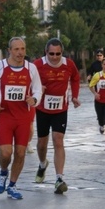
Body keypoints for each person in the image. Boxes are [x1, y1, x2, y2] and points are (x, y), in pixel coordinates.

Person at [0, 37, 43, 199]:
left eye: (22, 49)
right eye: (16, 49)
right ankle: (3, 172)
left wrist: (34, 99)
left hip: (23, 117)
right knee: (5, 153)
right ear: (9, 51)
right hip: (5, 116)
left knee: (21, 153)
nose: (20, 52)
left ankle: (12, 185)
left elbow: (38, 89)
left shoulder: (31, 68)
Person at [33, 38, 81, 194]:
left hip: (60, 108)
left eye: (58, 54)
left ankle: (59, 178)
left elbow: (75, 77)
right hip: (42, 108)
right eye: (51, 53)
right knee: (42, 144)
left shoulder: (69, 64)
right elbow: (28, 81)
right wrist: (38, 87)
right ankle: (42, 165)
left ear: (62, 52)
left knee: (58, 140)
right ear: (46, 52)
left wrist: (74, 96)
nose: (54, 57)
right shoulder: (37, 65)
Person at [24, 55, 36, 154]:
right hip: (16, 104)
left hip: (30, 103)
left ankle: (29, 142)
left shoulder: (33, 72)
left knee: (30, 125)